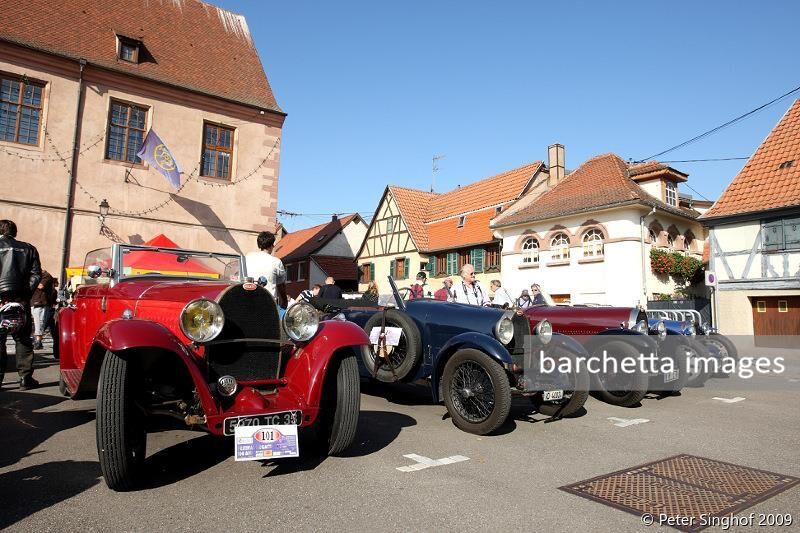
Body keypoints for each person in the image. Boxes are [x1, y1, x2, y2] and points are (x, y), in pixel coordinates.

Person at [0, 219, 41, 390]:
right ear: (14, 232)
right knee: (23, 339)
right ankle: (25, 378)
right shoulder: (28, 248)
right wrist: (24, 295)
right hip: (20, 301)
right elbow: (36, 274)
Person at [245, 231, 288, 308]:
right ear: (271, 245)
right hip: (268, 303)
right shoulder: (276, 262)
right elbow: (281, 285)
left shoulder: (247, 257)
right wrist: (285, 301)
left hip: (248, 300)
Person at [30, 269, 54, 350]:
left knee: (39, 322)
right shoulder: (36, 276)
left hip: (40, 302)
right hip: (34, 302)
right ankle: (37, 340)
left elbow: (41, 286)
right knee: (38, 322)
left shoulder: (45, 275)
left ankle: (38, 341)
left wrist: (31, 282)